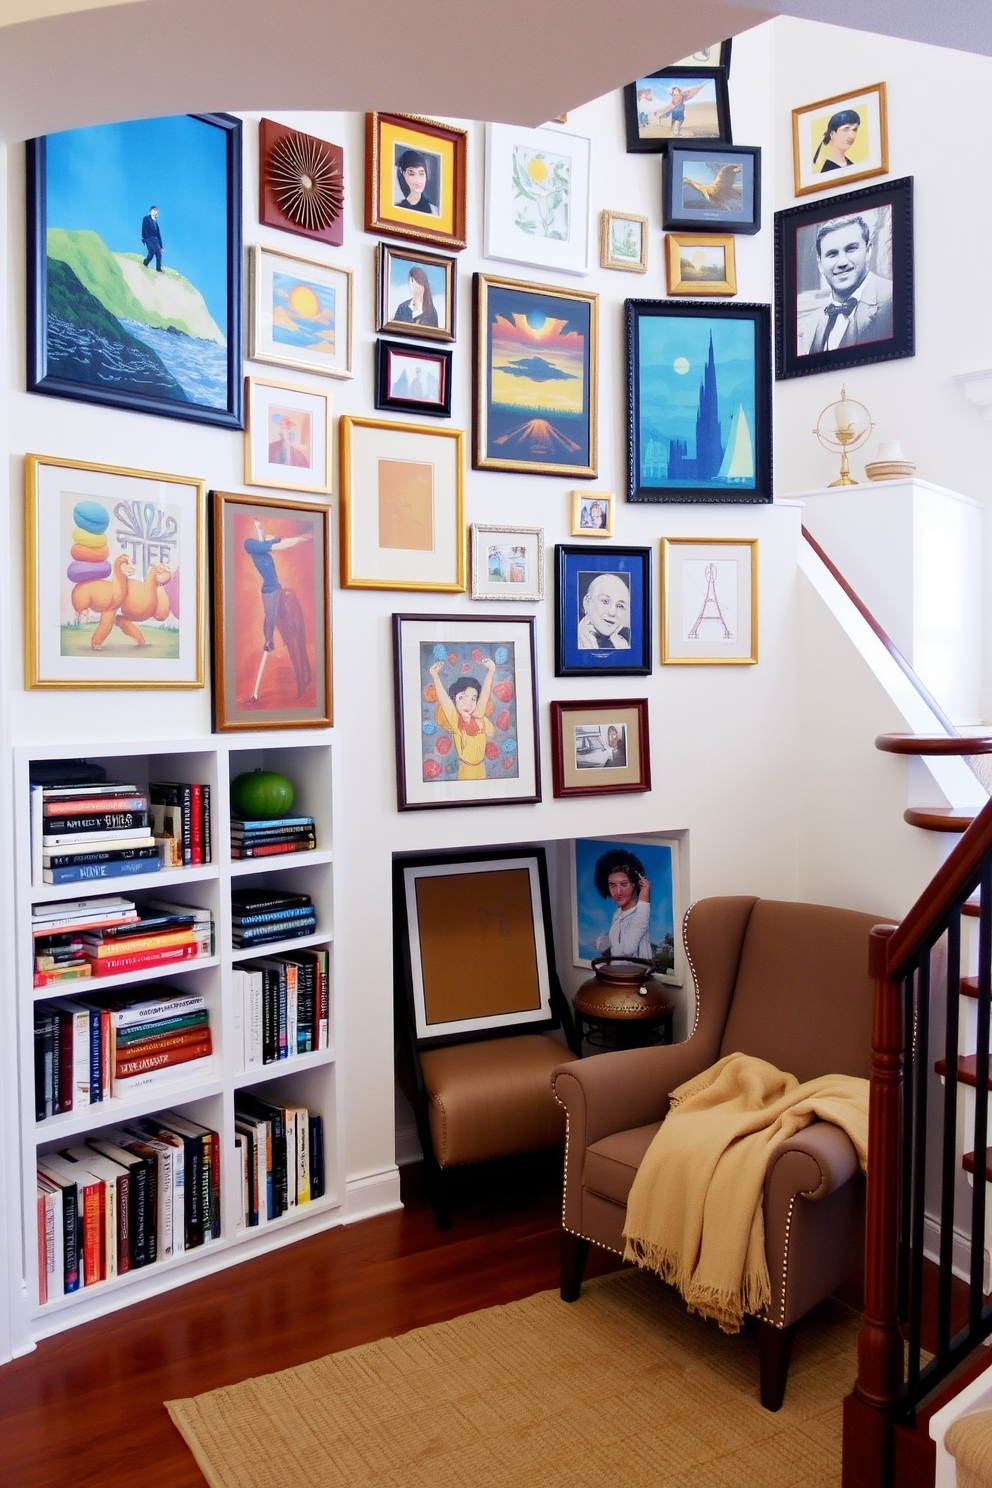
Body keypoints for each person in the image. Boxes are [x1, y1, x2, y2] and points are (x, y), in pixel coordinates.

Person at [796, 215, 893, 357]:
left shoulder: (894, 298)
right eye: (832, 254)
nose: (842, 262)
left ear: (868, 250)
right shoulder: (812, 323)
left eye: (851, 249)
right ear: (819, 263)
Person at [429, 655, 496, 781]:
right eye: (462, 697)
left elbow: (486, 692)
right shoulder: (456, 721)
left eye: (473, 698)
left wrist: (491, 670)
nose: (468, 704)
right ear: (454, 700)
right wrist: (434, 674)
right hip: (466, 771)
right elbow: (443, 697)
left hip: (481, 769)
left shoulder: (478, 716)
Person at [592, 848, 652, 962]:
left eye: (623, 884)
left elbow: (628, 948)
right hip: (618, 976)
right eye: (612, 885)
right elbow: (610, 947)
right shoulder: (618, 915)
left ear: (634, 884)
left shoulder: (640, 914)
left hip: (637, 977)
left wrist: (644, 895)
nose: (618, 892)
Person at [577, 572, 631, 650]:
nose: (612, 613)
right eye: (605, 602)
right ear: (587, 603)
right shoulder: (573, 641)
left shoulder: (623, 644)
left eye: (620, 606)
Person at [813, 108, 861, 173]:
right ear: (832, 134)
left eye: (854, 129)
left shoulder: (851, 165)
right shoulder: (827, 169)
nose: (851, 136)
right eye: (846, 129)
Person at [394, 148, 439, 215]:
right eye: (411, 174)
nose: (417, 179)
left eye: (421, 174)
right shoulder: (396, 209)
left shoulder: (435, 211)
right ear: (403, 173)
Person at [141, 205, 163, 272]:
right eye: (153, 210)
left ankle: (158, 269)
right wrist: (144, 238)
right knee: (151, 252)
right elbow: (143, 229)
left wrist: (161, 246)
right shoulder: (146, 218)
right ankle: (145, 262)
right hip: (149, 238)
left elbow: (158, 235)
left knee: (159, 254)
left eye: (156, 211)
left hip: (155, 240)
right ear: (150, 211)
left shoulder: (156, 223)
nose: (155, 211)